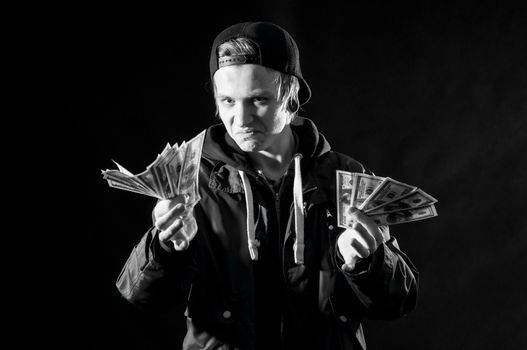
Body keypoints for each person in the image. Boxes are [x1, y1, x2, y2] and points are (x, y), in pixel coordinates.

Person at [116, 21, 419, 350]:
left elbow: (398, 302)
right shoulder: (189, 177)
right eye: (228, 101)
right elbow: (143, 298)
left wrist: (366, 262)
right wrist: (166, 248)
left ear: (291, 96)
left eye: (258, 99)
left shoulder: (344, 176)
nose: (241, 119)